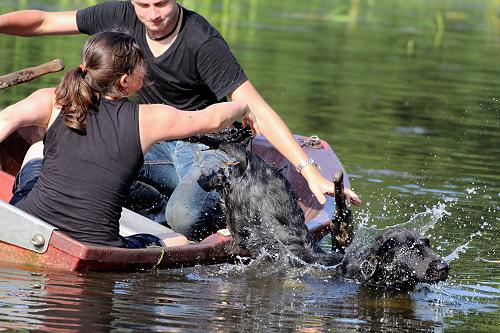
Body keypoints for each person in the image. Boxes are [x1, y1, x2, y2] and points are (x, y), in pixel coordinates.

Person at [0, 0, 361, 241]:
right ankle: (150, 207)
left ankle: (216, 212)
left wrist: (309, 172)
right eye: (144, 4)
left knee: (184, 217)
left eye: (162, 3)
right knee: (69, 158)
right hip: (154, 140)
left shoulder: (201, 41)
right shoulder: (121, 17)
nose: (153, 14)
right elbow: (45, 20)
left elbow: (254, 108)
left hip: (210, 147)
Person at [0, 31, 253, 248]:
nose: (146, 67)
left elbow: (6, 119)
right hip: (97, 241)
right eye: (140, 64)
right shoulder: (149, 118)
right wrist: (242, 106)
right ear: (125, 81)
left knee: (35, 148)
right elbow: (213, 119)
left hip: (29, 218)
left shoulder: (54, 99)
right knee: (180, 241)